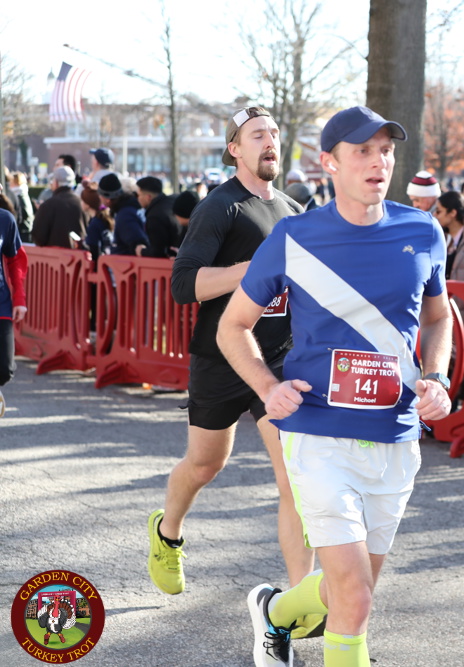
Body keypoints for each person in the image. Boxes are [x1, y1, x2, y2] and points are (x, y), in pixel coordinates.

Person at [216, 104, 452, 667]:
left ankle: (274, 612)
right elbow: (233, 326)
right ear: (330, 163)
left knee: (351, 591)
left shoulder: (423, 230)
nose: (379, 162)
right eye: (362, 151)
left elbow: (440, 315)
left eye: (386, 151)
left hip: (396, 435)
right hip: (318, 432)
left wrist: (437, 376)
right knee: (354, 595)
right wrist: (267, 387)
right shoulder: (294, 237)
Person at [147, 106, 317, 638]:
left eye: (274, 133)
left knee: (295, 479)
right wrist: (253, 271)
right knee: (205, 464)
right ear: (234, 149)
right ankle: (167, 531)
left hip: (279, 361)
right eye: (257, 134)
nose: (270, 141)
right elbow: (183, 285)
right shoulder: (220, 207)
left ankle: (302, 601)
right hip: (220, 356)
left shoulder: (294, 209)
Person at [0, 206, 27, 418]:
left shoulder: (5, 219)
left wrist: (19, 299)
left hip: (1, 304)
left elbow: (15, 259)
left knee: (5, 369)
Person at [32, 166, 87, 248]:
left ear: (56, 183)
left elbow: (38, 237)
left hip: (54, 254)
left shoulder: (48, 205)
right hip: (79, 254)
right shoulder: (82, 204)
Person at [98, 174, 149, 256]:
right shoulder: (129, 208)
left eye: (100, 196)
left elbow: (138, 244)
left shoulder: (125, 215)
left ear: (107, 199)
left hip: (128, 262)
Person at [136, 176, 182, 258]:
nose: (137, 198)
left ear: (148, 197)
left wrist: (142, 251)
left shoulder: (154, 216)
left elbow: (158, 252)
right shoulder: (173, 200)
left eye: (138, 195)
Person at [80, 188, 114, 262]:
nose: (81, 203)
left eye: (82, 200)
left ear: (88, 204)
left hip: (100, 264)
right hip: (108, 261)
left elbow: (94, 250)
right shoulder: (103, 218)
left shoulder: (95, 223)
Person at [8, 171, 34, 242]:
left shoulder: (19, 194)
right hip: (25, 229)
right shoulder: (23, 192)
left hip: (23, 231)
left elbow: (22, 214)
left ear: (15, 182)